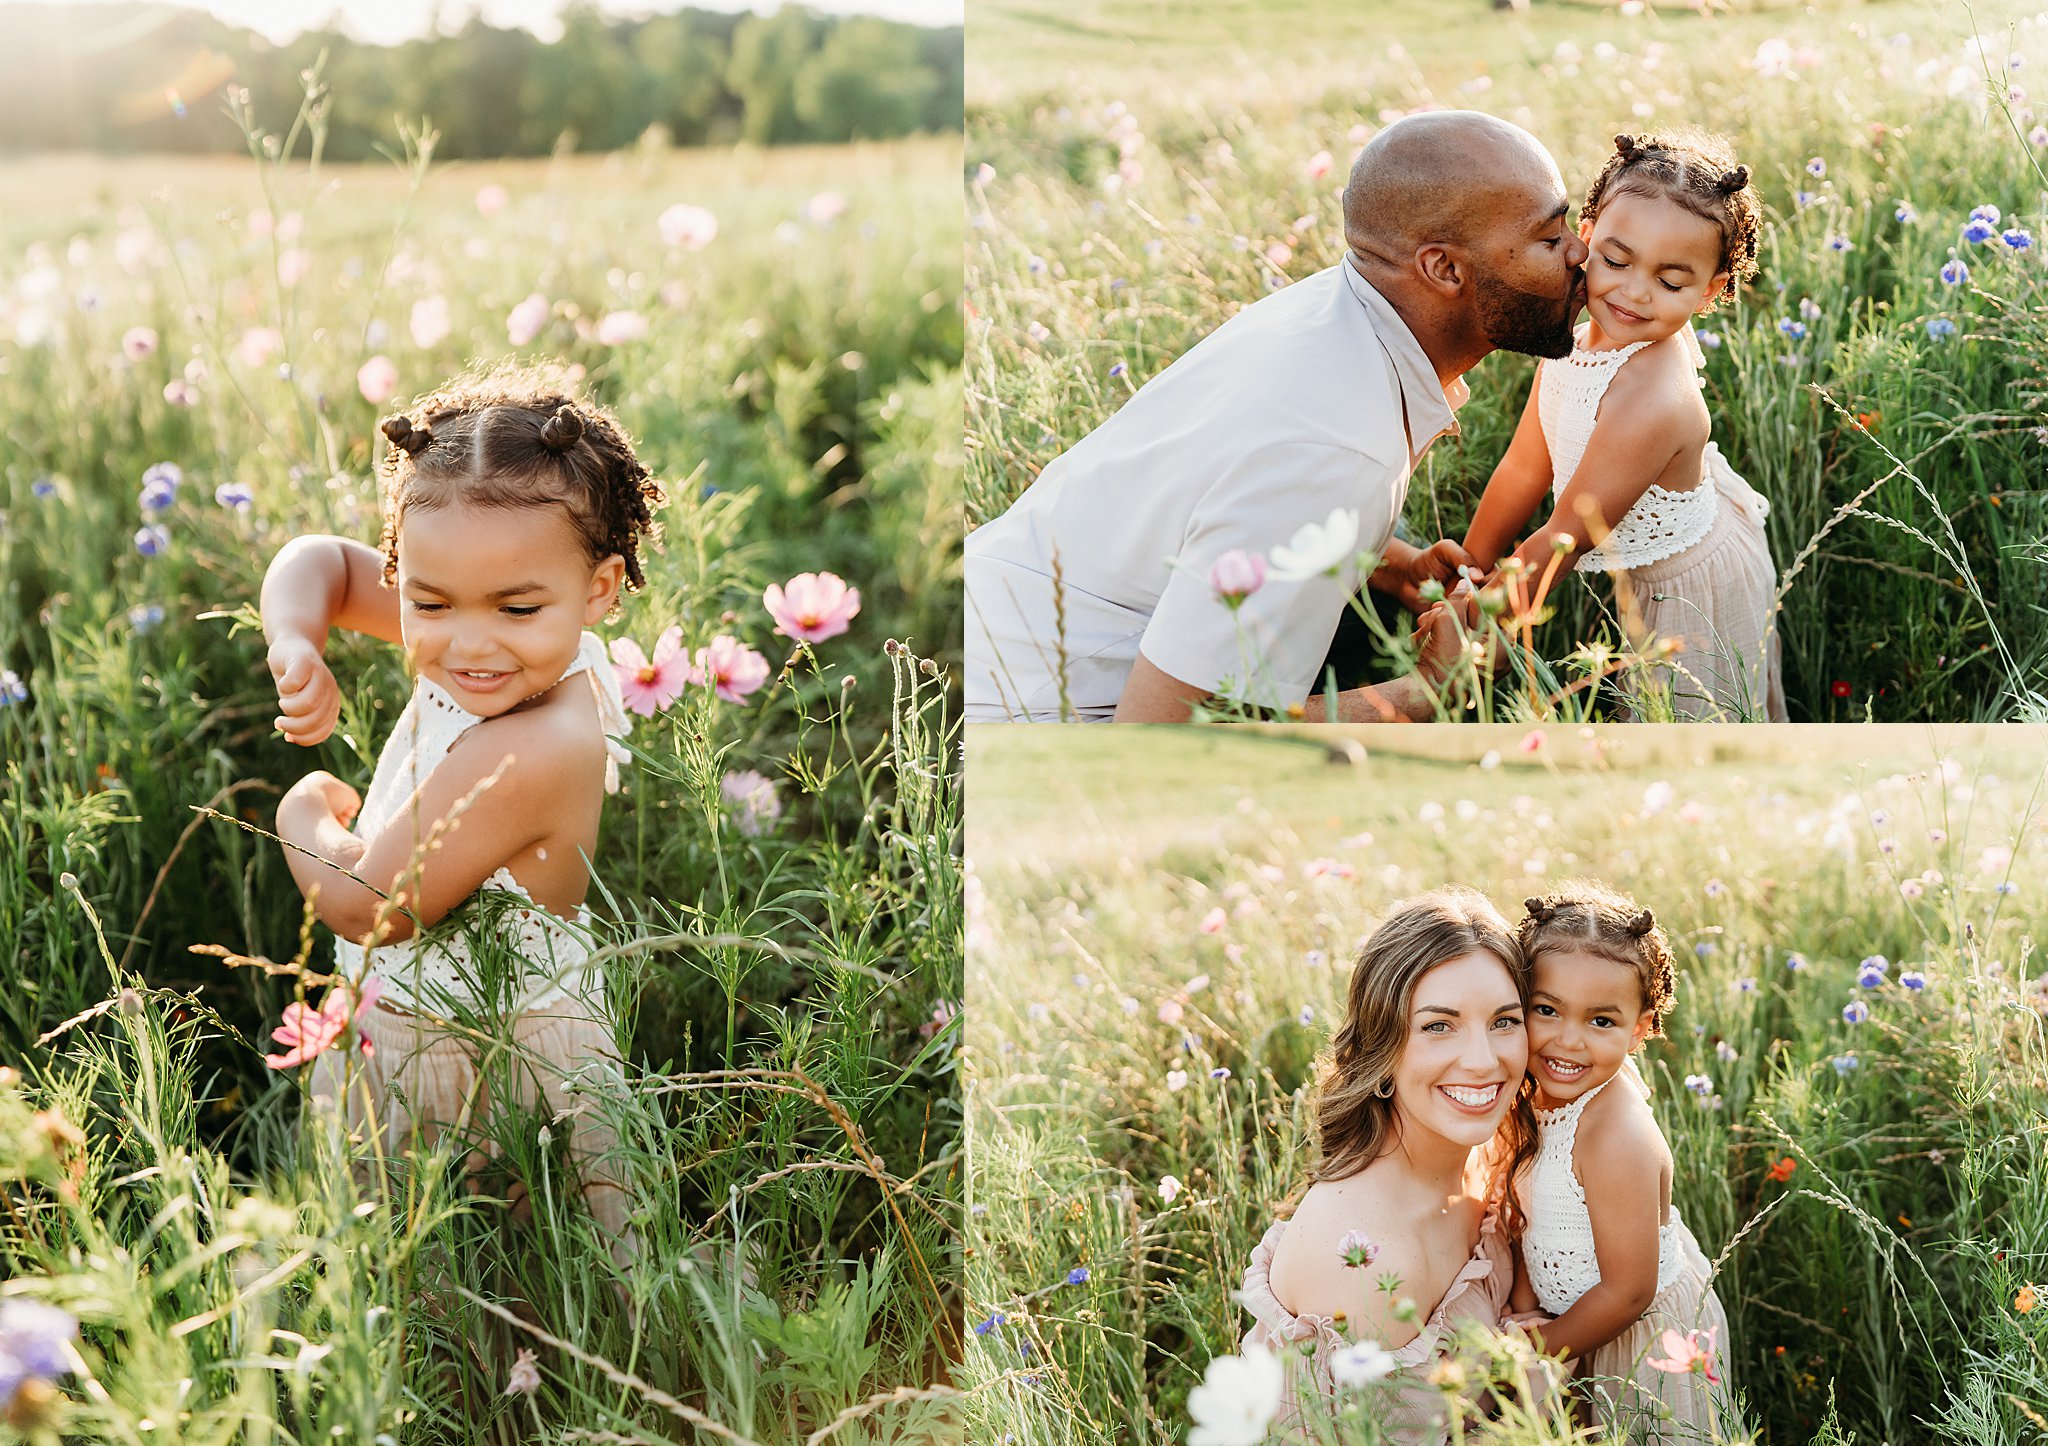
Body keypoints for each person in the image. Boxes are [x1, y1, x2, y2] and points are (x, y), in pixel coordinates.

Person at [964, 110, 1590, 723]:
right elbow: (1158, 738)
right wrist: (1431, 689)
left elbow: (1237, 497)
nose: (1579, 250)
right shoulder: (1337, 446)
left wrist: (1391, 563)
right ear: (1444, 269)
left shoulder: (1330, 311)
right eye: (1548, 237)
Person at [259, 361, 666, 1262]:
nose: (470, 643)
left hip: (483, 1051)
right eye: (428, 602)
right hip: (426, 1013)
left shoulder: (535, 743)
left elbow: (369, 907)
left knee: (479, 1272)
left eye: (517, 608)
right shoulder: (507, 632)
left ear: (600, 589)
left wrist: (303, 809)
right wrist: (295, 638)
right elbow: (320, 563)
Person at [1461, 130, 1786, 721]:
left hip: (1690, 587)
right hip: (1634, 561)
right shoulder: (1575, 341)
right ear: (1585, 239)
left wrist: (1471, 623)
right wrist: (1467, 569)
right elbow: (1523, 468)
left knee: (1686, 730)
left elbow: (1566, 536)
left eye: (1671, 281)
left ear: (1709, 291)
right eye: (1616, 261)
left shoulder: (1652, 399)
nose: (1634, 292)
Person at [1238, 888, 1539, 1442]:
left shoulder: (1488, 1156)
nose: (1483, 1061)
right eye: (1438, 1026)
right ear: (1381, 1053)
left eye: (1504, 1021)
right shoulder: (1364, 1262)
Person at [1512, 884, 1739, 1442]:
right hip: (1578, 1321)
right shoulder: (1540, 1094)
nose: (1569, 1042)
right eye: (1547, 1010)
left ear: (1639, 1029)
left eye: (1601, 1022)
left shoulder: (1616, 1135)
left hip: (1640, 1337)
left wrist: (1535, 1349)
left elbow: (1629, 1291)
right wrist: (1526, 1306)